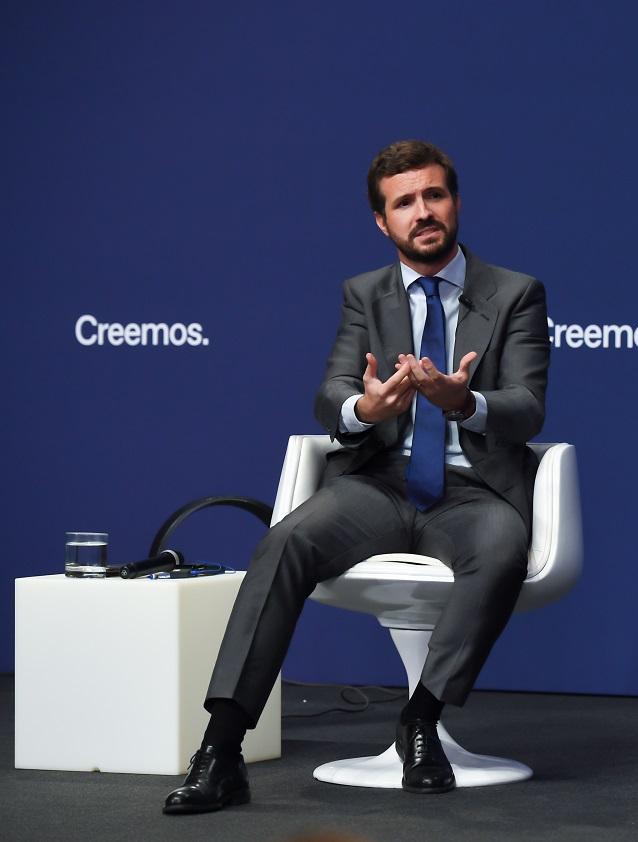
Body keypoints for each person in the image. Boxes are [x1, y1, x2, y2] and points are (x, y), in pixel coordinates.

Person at [164, 139, 550, 814]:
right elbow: (332, 393)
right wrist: (364, 407)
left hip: (473, 491)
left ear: (455, 202)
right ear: (383, 220)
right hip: (381, 482)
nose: (422, 212)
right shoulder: (362, 295)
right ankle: (222, 750)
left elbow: (526, 407)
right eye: (405, 202)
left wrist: (464, 401)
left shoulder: (515, 293)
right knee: (284, 541)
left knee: (501, 549)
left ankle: (420, 720)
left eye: (434, 195)